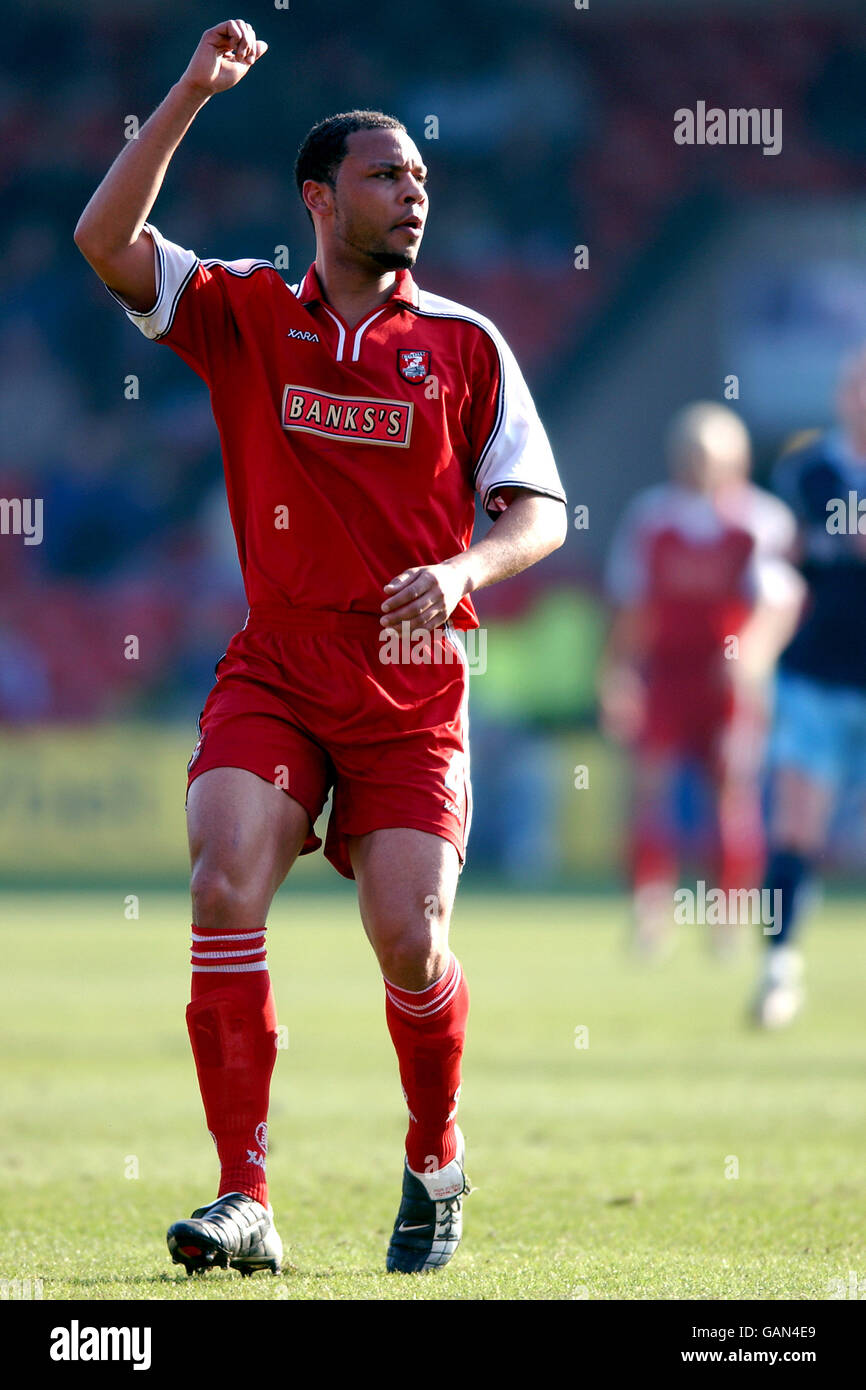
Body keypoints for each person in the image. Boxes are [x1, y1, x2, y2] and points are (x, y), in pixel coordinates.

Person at [73, 20, 567, 1275]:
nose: (412, 195)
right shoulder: (242, 308)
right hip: (279, 664)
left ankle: (434, 1155)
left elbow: (539, 511)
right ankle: (245, 1196)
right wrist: (190, 90)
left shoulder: (462, 342)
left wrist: (459, 568)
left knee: (411, 940)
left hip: (411, 686)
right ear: (319, 196)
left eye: (419, 180)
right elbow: (104, 243)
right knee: (220, 878)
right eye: (385, 176)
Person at [599, 402, 802, 957]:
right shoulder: (652, 518)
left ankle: (728, 919)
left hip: (728, 683)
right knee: (649, 791)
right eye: (688, 453)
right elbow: (631, 605)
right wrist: (618, 674)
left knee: (731, 794)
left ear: (734, 459)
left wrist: (753, 654)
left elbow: (781, 601)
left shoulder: (759, 519)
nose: (696, 465)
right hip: (668, 676)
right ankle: (650, 915)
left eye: (707, 455)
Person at [752, 351, 866, 1027]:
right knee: (797, 825)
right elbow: (784, 566)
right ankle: (780, 967)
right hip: (815, 675)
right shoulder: (806, 472)